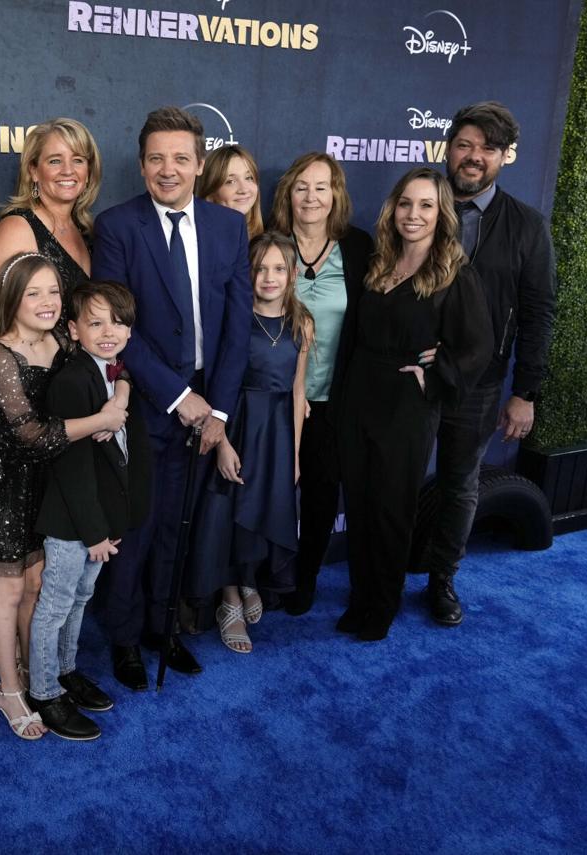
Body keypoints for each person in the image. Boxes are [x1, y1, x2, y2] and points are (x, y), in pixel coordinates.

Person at [92, 106, 251, 690]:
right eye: (157, 158)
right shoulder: (116, 227)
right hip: (146, 403)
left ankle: (165, 627)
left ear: (199, 163)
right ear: (141, 164)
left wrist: (219, 412)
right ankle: (125, 639)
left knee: (177, 530)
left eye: (180, 158)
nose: (168, 169)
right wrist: (178, 396)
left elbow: (237, 331)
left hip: (209, 406)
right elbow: (114, 330)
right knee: (137, 527)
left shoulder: (229, 227)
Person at [0, 253, 126, 738]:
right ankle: (9, 690)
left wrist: (122, 399)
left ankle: (39, 675)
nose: (47, 302)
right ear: (13, 299)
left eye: (54, 292)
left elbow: (112, 367)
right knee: (10, 591)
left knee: (39, 587)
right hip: (9, 482)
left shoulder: (61, 342)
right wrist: (101, 420)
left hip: (50, 481)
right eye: (34, 293)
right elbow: (30, 433)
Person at [337, 166, 492, 642]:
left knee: (390, 509)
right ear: (393, 208)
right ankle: (362, 596)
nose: (413, 214)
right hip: (359, 394)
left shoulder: (452, 272)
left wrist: (435, 373)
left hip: (406, 405)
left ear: (441, 213)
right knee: (361, 504)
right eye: (406, 203)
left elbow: (479, 346)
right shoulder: (378, 261)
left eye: (426, 205)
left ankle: (380, 608)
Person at [420, 101, 557, 625]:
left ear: (504, 157)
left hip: (479, 385)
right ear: (448, 148)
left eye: (488, 149)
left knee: (460, 483)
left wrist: (525, 393)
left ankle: (442, 579)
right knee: (395, 477)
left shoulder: (526, 226)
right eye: (465, 145)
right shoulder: (418, 205)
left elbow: (538, 314)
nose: (474, 157)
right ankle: (387, 569)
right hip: (410, 375)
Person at [31, 280, 151, 738]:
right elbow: (71, 468)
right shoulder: (70, 380)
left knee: (81, 598)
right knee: (56, 605)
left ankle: (65, 671)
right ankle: (44, 693)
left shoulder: (112, 370)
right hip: (72, 522)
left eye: (117, 323)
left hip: (98, 519)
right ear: (73, 329)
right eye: (95, 322)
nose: (108, 331)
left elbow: (124, 375)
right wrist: (94, 532)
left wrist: (120, 391)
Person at [190, 233, 314, 653]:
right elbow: (216, 387)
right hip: (237, 425)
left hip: (278, 432)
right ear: (247, 274)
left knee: (261, 510)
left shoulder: (302, 322)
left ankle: (247, 581)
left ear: (293, 274)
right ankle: (228, 600)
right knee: (228, 512)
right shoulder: (233, 319)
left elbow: (298, 391)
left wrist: (294, 453)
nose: (269, 277)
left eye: (279, 268)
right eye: (260, 268)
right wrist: (222, 442)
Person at [268, 152, 374, 616]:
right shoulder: (268, 247)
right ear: (288, 193)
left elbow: (383, 314)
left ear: (336, 195)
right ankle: (257, 580)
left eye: (321, 187)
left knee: (319, 495)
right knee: (263, 491)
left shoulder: (358, 248)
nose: (311, 197)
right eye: (301, 187)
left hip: (333, 400)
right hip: (272, 399)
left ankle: (304, 578)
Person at [0, 118, 111, 450]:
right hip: (28, 401)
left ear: (89, 170)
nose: (68, 170)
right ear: (33, 170)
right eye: (54, 160)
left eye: (78, 160)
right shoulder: (19, 227)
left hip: (73, 395)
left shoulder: (86, 232)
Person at [196, 144, 263, 239]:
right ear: (211, 193)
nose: (244, 189)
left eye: (249, 178)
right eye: (230, 181)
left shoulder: (265, 242)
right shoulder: (198, 242)